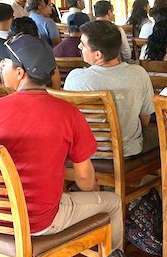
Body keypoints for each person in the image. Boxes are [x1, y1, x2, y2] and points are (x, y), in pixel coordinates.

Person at [0, 34, 123, 253]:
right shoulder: (68, 113)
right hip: (40, 222)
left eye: (5, 61)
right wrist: (90, 195)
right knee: (114, 203)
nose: (1, 66)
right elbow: (84, 178)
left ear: (19, 73)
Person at [64, 20, 157, 157]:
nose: (79, 46)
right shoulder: (139, 74)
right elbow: (145, 120)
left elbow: (69, 121)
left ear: (98, 55)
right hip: (128, 151)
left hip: (86, 153)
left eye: (83, 45)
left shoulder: (75, 78)